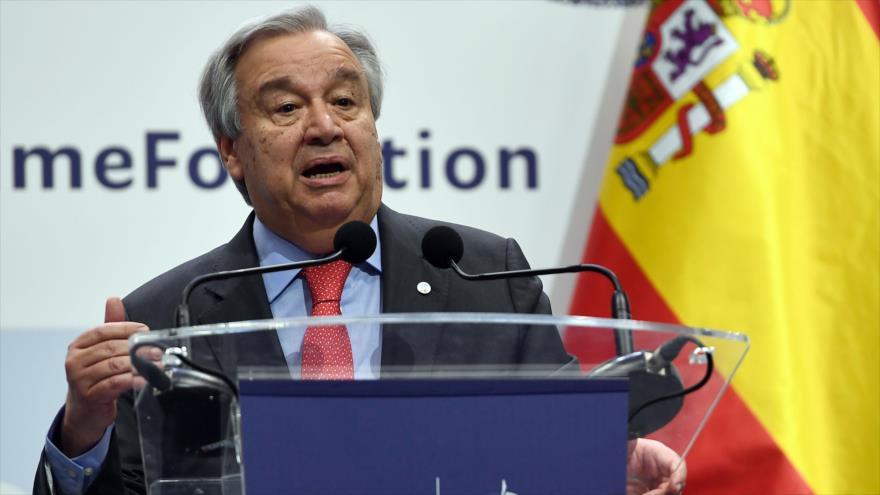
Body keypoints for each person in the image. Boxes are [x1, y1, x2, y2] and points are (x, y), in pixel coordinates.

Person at [34, 6, 686, 494]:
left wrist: (608, 463)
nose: (324, 125)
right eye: (287, 107)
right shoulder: (168, 315)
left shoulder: (489, 277)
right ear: (232, 150)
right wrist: (82, 431)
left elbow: (552, 449)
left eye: (346, 100)